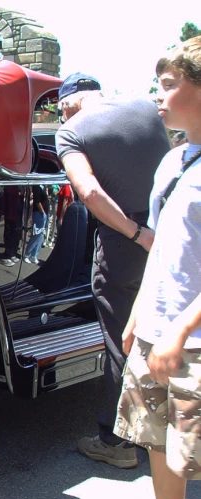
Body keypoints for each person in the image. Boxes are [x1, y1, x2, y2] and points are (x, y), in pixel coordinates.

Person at [55, 72, 170, 468]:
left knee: (123, 338)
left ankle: (117, 443)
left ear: (67, 104)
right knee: (171, 329)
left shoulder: (71, 130)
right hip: (174, 233)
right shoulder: (147, 107)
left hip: (127, 242)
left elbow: (88, 192)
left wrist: (137, 234)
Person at [113, 36, 201, 499]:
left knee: (195, 448)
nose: (158, 97)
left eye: (171, 85)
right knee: (162, 441)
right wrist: (139, 312)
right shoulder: (171, 164)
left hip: (191, 339)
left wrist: (182, 330)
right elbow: (162, 246)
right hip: (155, 333)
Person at [23, 185, 49, 264]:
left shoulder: (43, 186)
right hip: (39, 213)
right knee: (36, 234)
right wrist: (42, 212)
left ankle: (34, 255)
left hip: (43, 213)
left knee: (40, 235)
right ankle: (26, 254)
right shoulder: (37, 186)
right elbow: (37, 201)